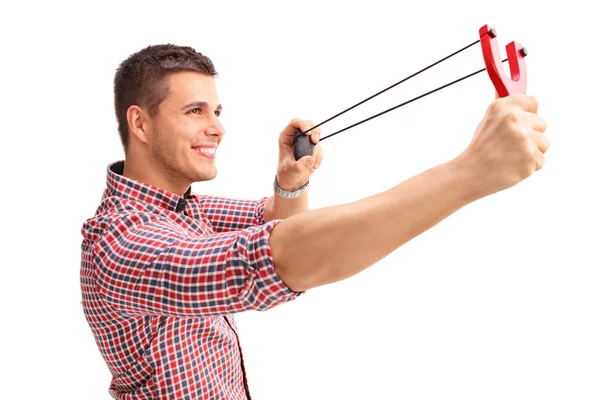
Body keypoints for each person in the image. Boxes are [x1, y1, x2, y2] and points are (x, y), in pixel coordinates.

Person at [80, 44, 549, 400]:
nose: (218, 127)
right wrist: (468, 173)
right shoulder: (122, 243)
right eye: (194, 111)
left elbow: (275, 224)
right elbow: (280, 256)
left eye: (216, 110)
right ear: (139, 125)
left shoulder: (183, 208)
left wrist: (291, 183)